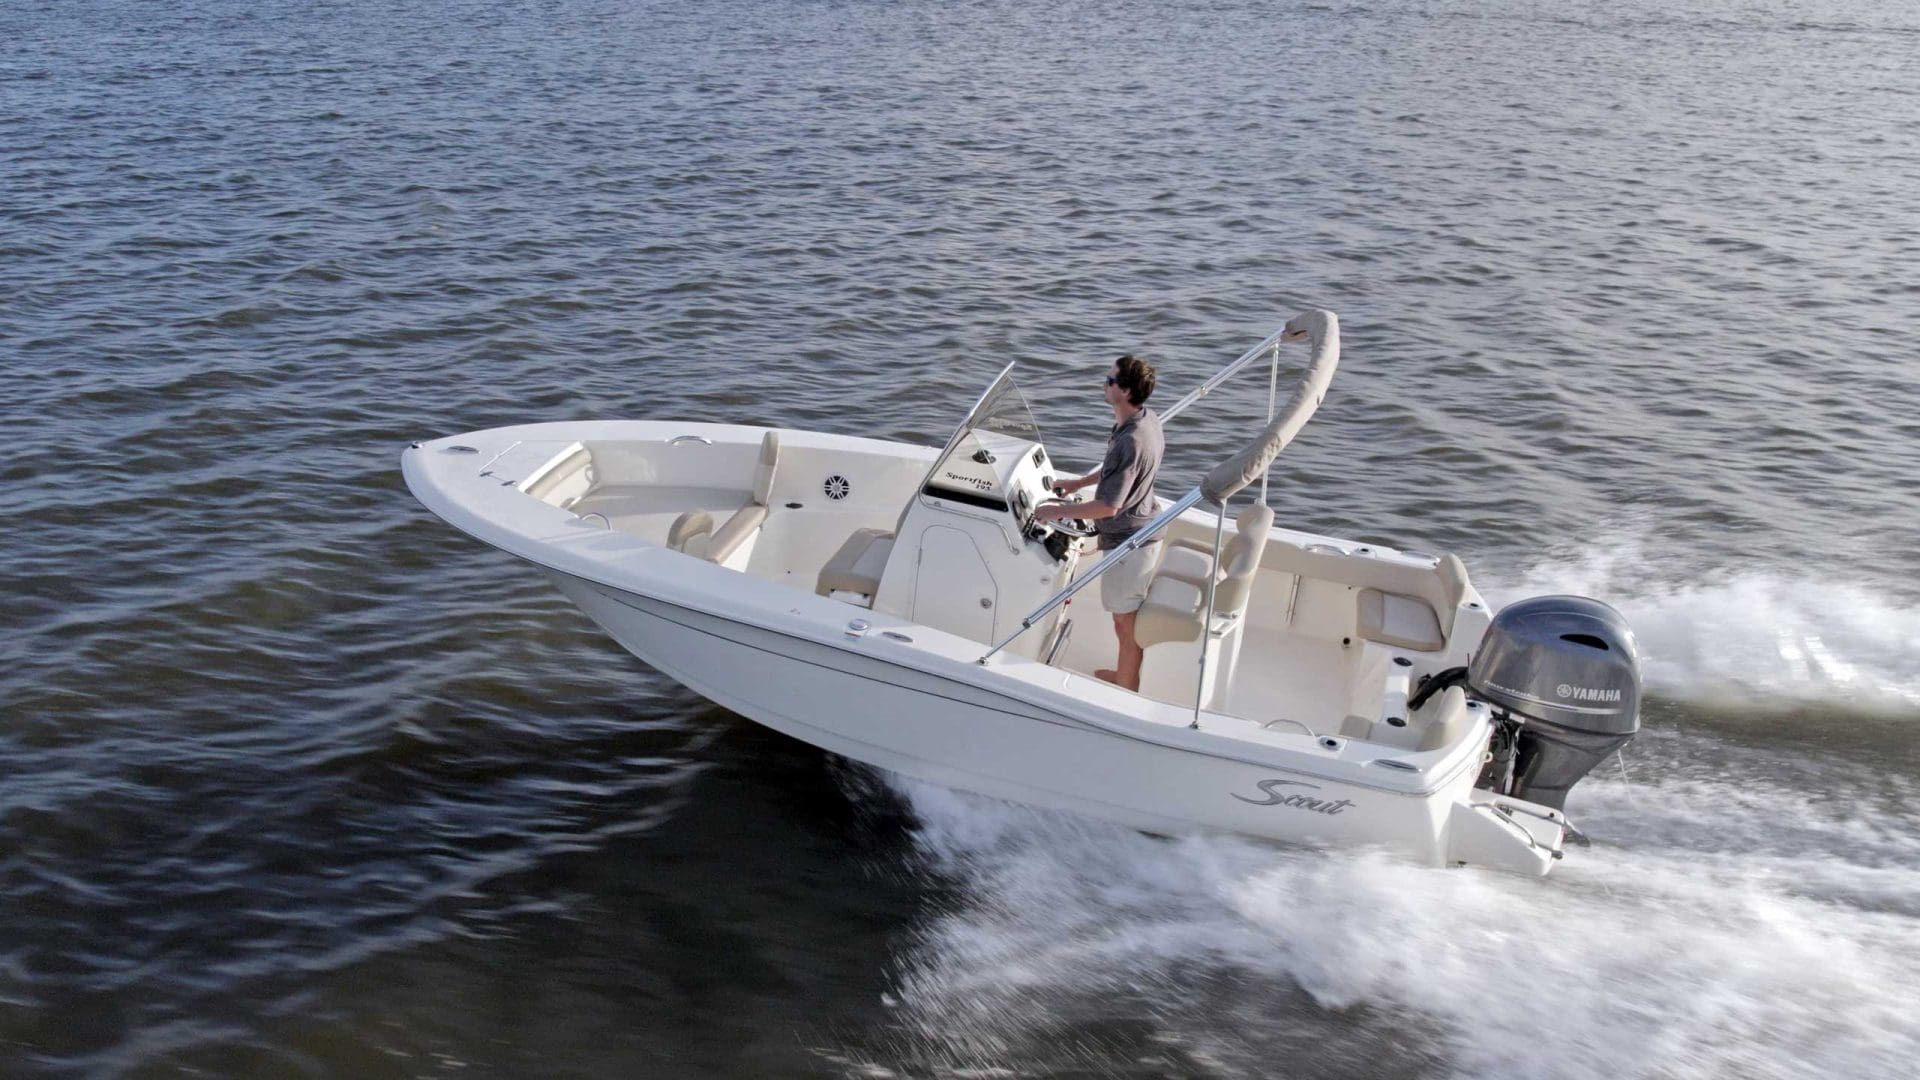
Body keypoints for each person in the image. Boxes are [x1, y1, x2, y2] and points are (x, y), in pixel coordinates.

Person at [1033, 353, 1163, 691]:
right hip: (1140, 528)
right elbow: (1117, 472)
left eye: (1109, 381)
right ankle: (1125, 676)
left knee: (1125, 625)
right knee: (1124, 622)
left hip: (1130, 543)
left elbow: (1108, 507)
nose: (1103, 385)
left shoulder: (1130, 440)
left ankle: (1126, 688)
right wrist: (1078, 484)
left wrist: (1052, 512)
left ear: (1126, 391)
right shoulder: (1143, 420)